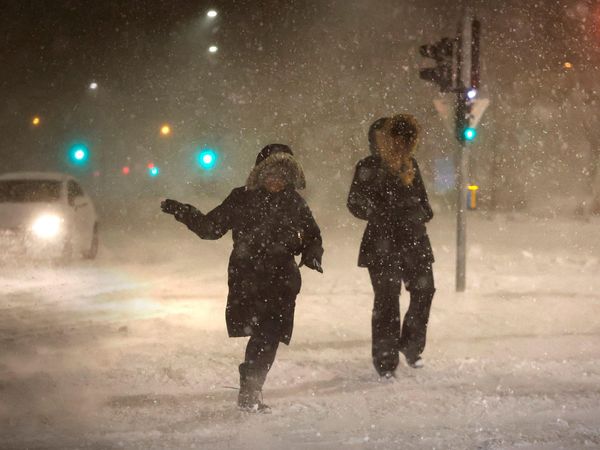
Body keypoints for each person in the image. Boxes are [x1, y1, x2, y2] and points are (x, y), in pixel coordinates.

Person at [161, 144, 323, 412]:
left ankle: (251, 387)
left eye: (283, 176)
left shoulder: (295, 203)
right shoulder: (242, 198)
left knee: (269, 336)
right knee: (262, 333)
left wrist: (312, 254)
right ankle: (251, 387)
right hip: (248, 276)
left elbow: (312, 236)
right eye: (271, 174)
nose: (276, 181)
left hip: (283, 279)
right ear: (259, 173)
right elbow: (210, 228)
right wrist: (182, 211)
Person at [347, 114, 435, 378]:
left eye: (405, 139)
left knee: (425, 290)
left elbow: (425, 205)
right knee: (387, 300)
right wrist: (383, 213)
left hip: (414, 241)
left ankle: (410, 345)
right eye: (394, 138)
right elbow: (355, 203)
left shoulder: (411, 166)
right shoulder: (368, 166)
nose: (400, 144)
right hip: (381, 243)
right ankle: (386, 362)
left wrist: (418, 213)